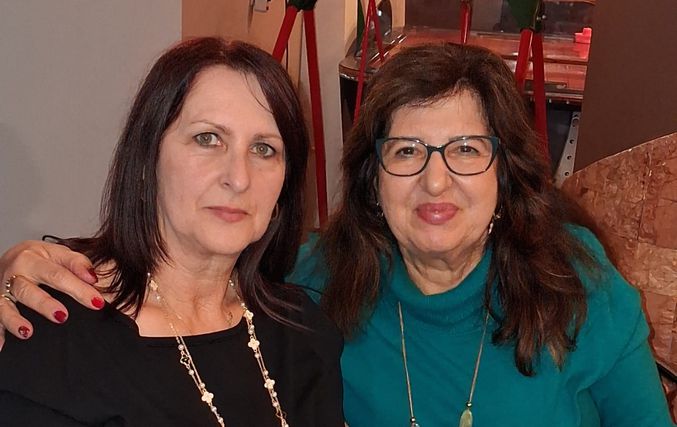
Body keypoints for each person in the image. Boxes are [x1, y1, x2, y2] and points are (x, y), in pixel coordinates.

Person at [0, 42, 673, 427]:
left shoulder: (574, 285)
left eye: (466, 150)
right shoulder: (321, 284)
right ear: (371, 182)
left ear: (507, 172)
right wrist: (27, 263)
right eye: (406, 151)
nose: (436, 181)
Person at [0, 37, 344, 426]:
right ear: (147, 159)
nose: (239, 178)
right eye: (208, 139)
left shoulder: (303, 333)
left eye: (264, 149)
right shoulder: (56, 335)